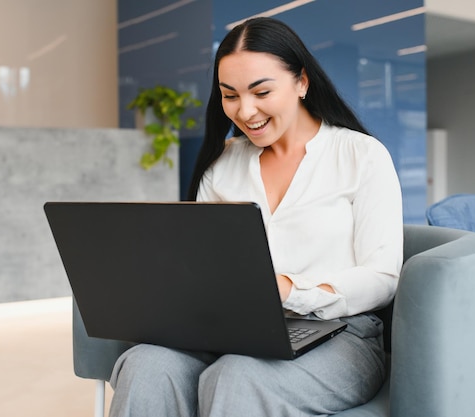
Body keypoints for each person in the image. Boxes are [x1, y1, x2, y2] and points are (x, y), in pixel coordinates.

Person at [108, 17, 403, 417]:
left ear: (301, 82)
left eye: (261, 91)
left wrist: (288, 289)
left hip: (342, 335)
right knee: (147, 364)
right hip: (232, 330)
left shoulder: (362, 156)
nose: (245, 112)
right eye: (230, 95)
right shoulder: (222, 164)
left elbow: (383, 278)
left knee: (238, 375)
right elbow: (199, 267)